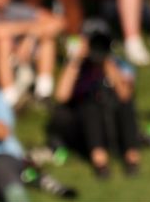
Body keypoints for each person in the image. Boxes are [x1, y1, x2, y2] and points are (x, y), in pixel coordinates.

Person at [50, 22, 142, 178]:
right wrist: (76, 60)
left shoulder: (116, 62)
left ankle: (131, 156)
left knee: (126, 105)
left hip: (113, 117)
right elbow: (61, 96)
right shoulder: (78, 66)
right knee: (90, 106)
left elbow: (124, 95)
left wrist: (106, 61)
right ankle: (100, 160)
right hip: (83, 120)